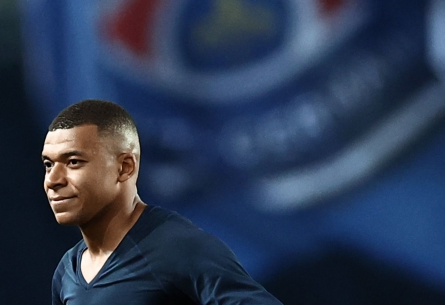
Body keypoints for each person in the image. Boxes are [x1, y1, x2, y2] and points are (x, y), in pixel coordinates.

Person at [43, 99, 283, 304]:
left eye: (73, 162)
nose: (53, 180)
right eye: (48, 165)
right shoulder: (66, 272)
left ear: (124, 168)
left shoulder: (178, 247)